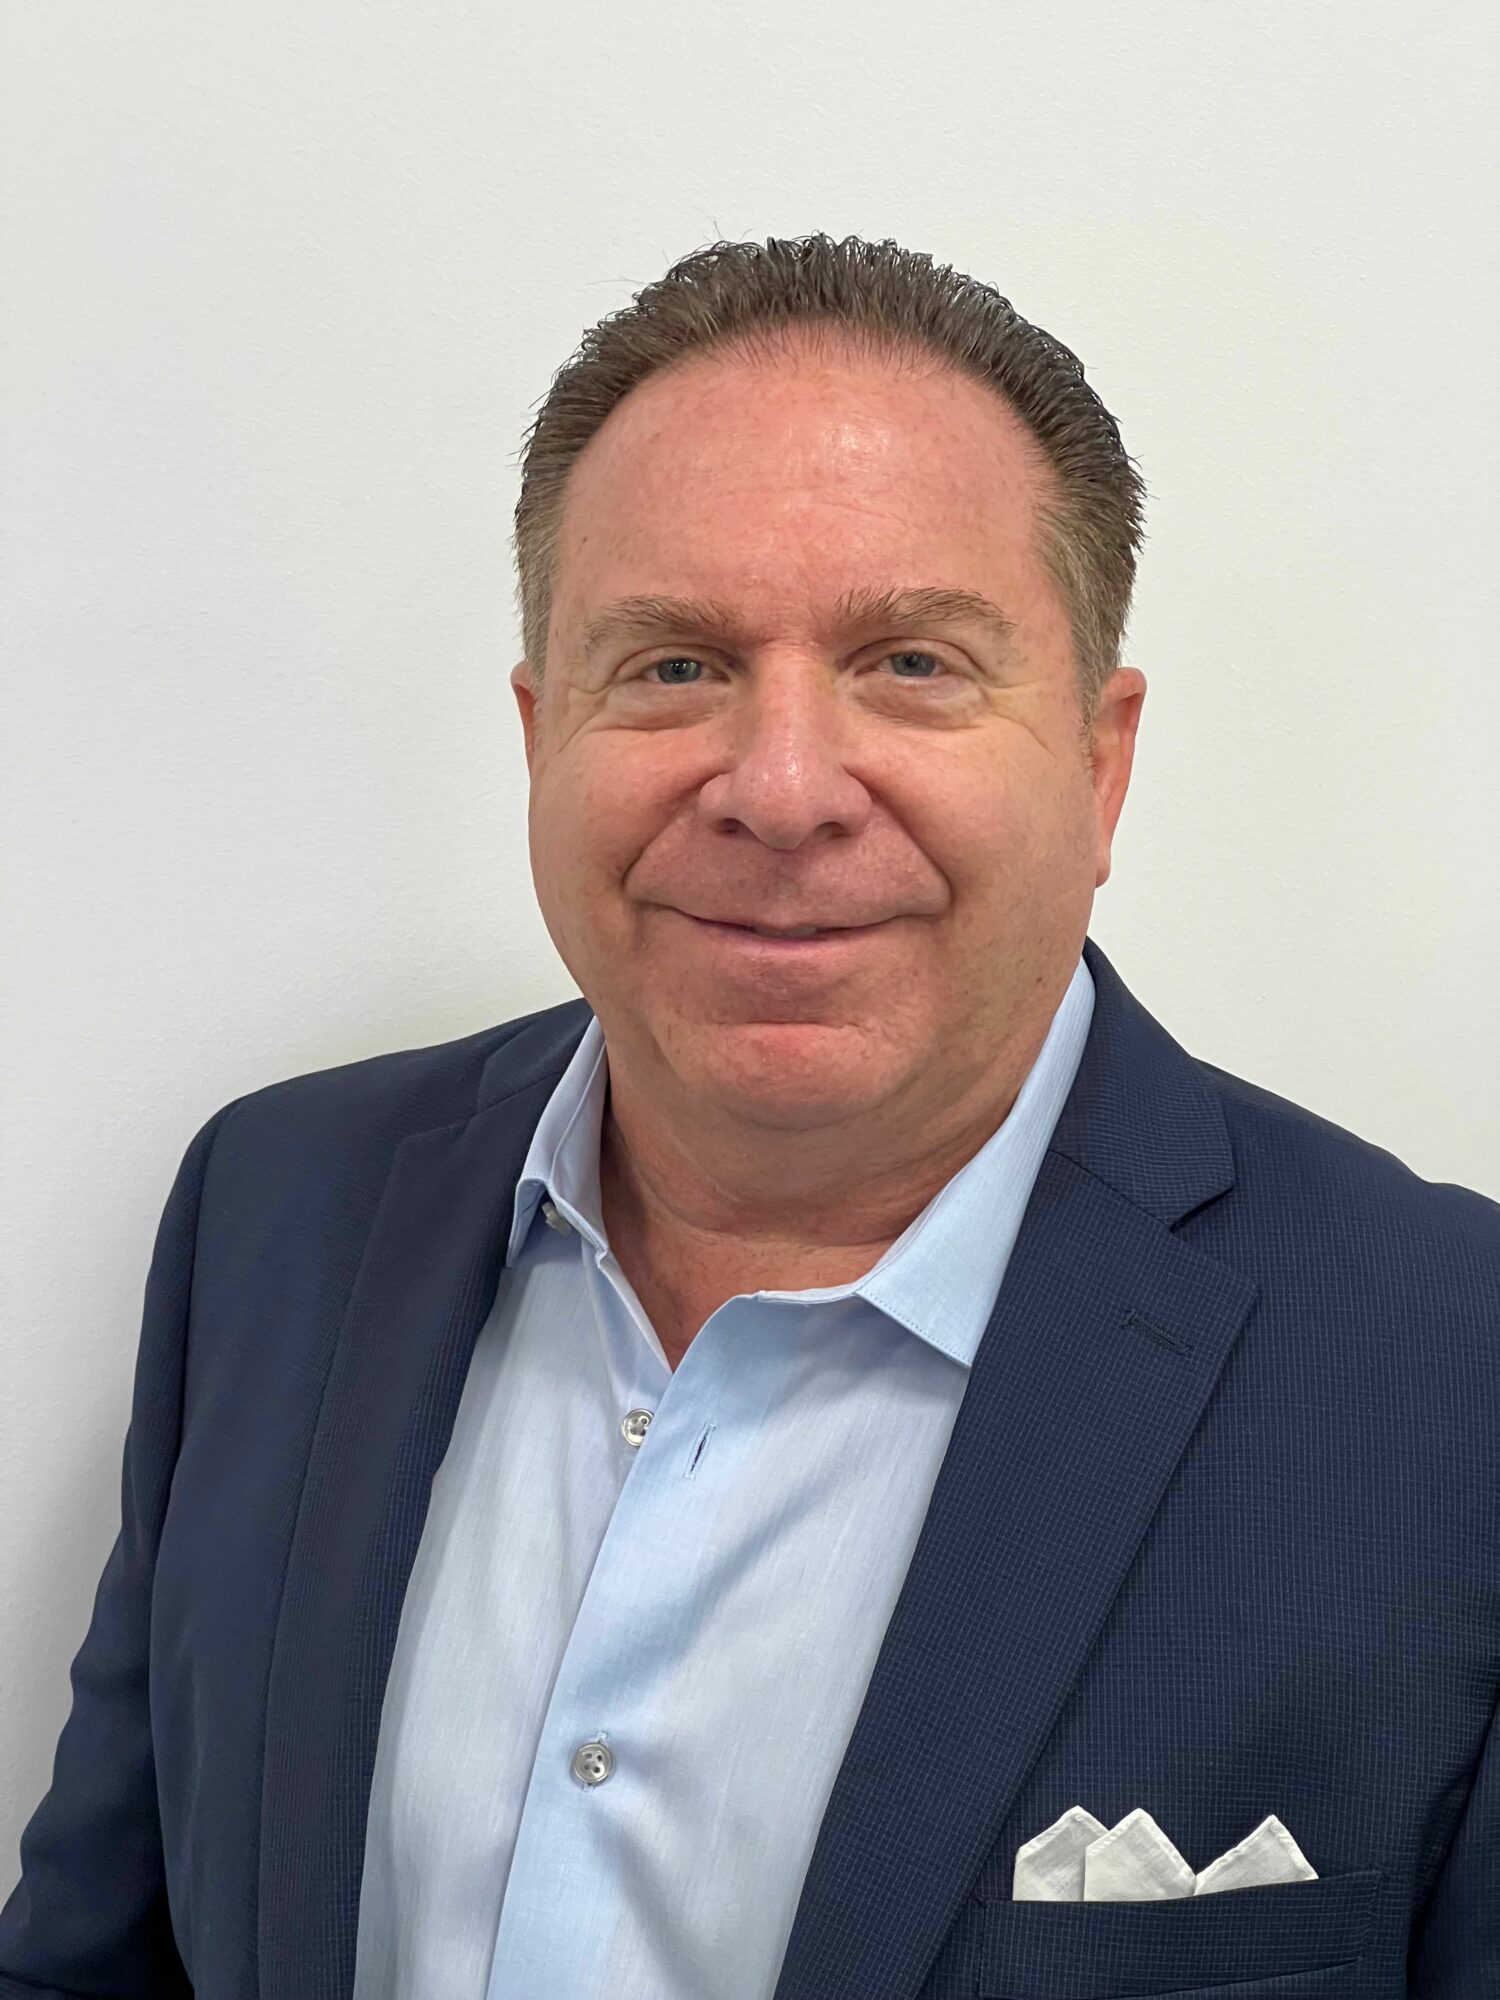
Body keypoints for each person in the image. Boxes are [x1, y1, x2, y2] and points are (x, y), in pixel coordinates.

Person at [1, 232, 1494, 2000]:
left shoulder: (1449, 1372)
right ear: (542, 735)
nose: (781, 790)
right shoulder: (275, 1213)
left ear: (1102, 765)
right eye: (674, 666)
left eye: (914, 662)